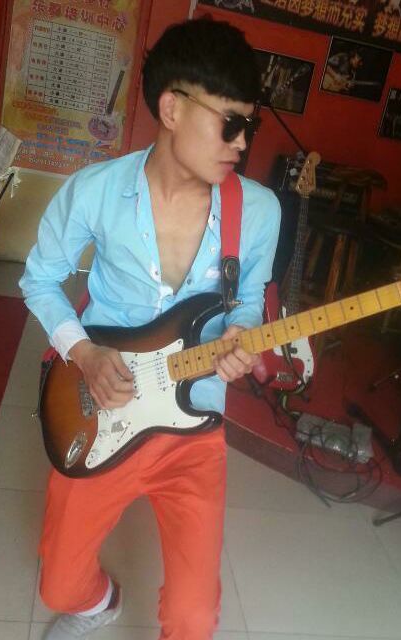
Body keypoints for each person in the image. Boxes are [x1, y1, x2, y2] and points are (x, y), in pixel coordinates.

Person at [19, 17, 281, 640]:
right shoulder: (95, 191)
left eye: (249, 126)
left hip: (195, 423)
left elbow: (249, 301)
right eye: (230, 123)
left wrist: (241, 334)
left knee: (193, 621)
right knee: (58, 586)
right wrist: (83, 352)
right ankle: (100, 602)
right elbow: (39, 279)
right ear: (172, 108)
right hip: (103, 404)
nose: (241, 143)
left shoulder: (259, 211)